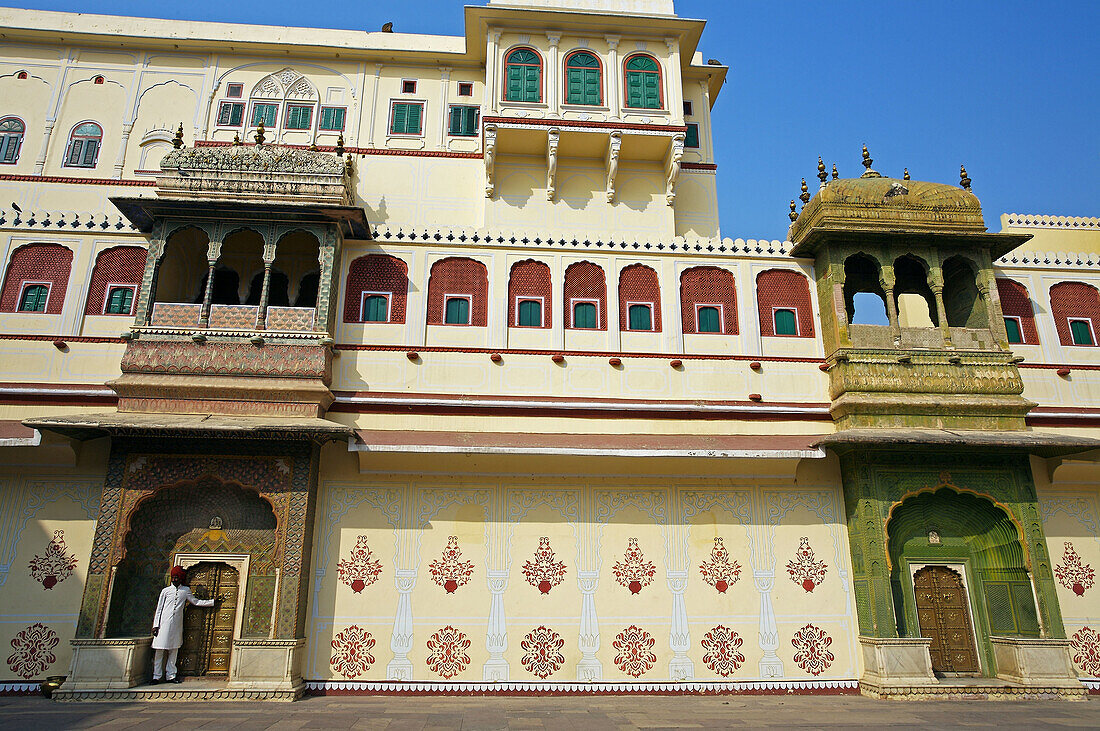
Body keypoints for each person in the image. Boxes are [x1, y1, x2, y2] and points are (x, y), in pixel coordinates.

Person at [150, 565, 216, 684]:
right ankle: (156, 676)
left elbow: (196, 602)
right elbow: (159, 609)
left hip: (176, 625)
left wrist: (212, 602)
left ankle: (171, 676)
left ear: (180, 578)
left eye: (177, 577)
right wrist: (156, 625)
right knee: (159, 651)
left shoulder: (185, 591)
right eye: (173, 577)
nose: (174, 579)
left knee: (173, 651)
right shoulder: (165, 591)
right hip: (163, 625)